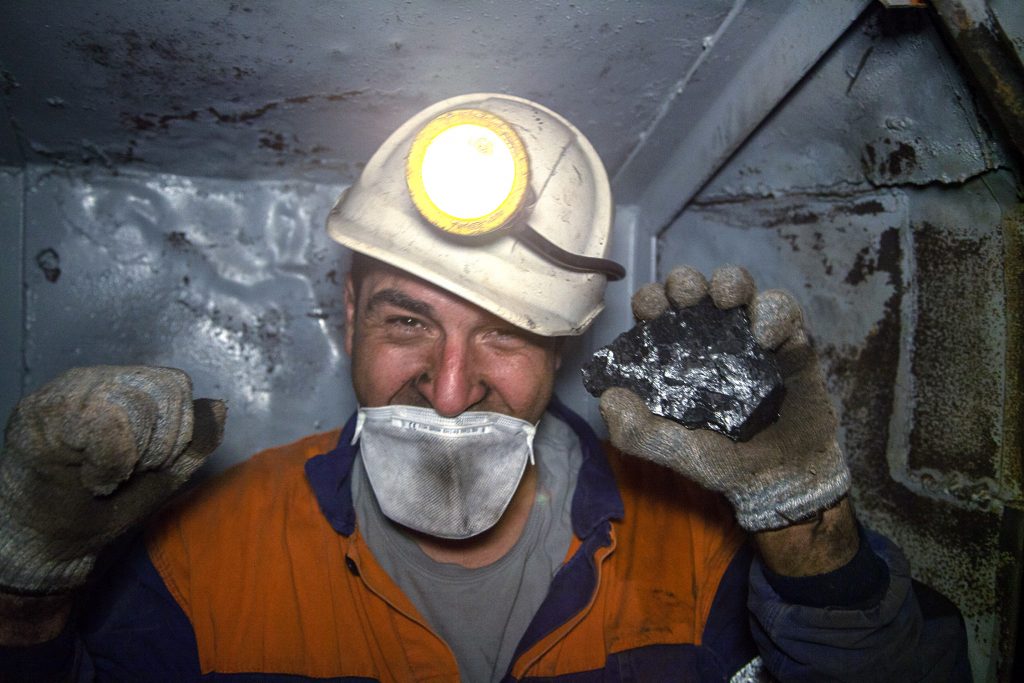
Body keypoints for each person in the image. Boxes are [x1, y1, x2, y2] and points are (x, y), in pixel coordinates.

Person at [0, 93, 969, 682]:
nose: (451, 389)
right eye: (405, 320)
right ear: (348, 318)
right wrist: (28, 584)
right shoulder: (204, 547)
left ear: (565, 349)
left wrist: (802, 513)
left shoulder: (694, 537)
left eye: (503, 334)